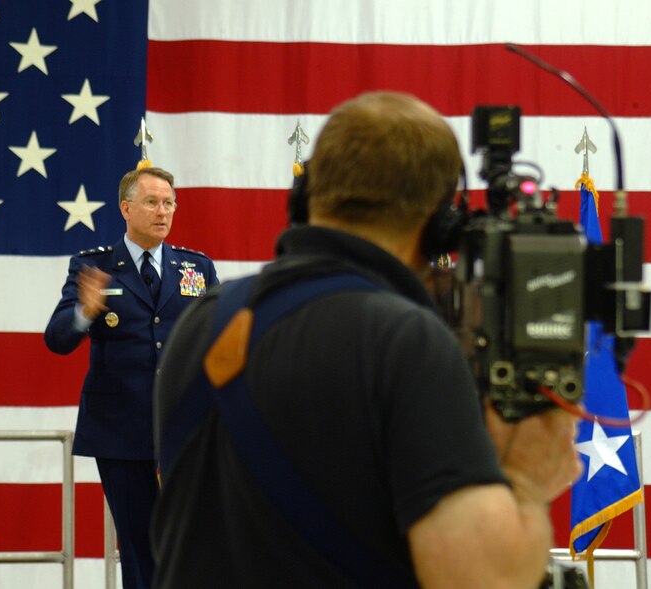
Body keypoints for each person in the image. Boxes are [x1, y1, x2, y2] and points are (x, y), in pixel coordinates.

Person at [151, 92, 582, 588]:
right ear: (442, 225)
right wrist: (527, 479)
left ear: (307, 193)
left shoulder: (203, 322)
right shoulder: (408, 342)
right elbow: (481, 579)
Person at [44, 166, 218, 589]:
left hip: (185, 427)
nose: (163, 212)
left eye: (169, 203)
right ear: (126, 208)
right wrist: (86, 311)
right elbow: (57, 339)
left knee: (188, 540)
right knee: (140, 544)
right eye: (152, 202)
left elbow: (218, 338)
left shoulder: (195, 267)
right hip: (122, 428)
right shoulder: (95, 266)